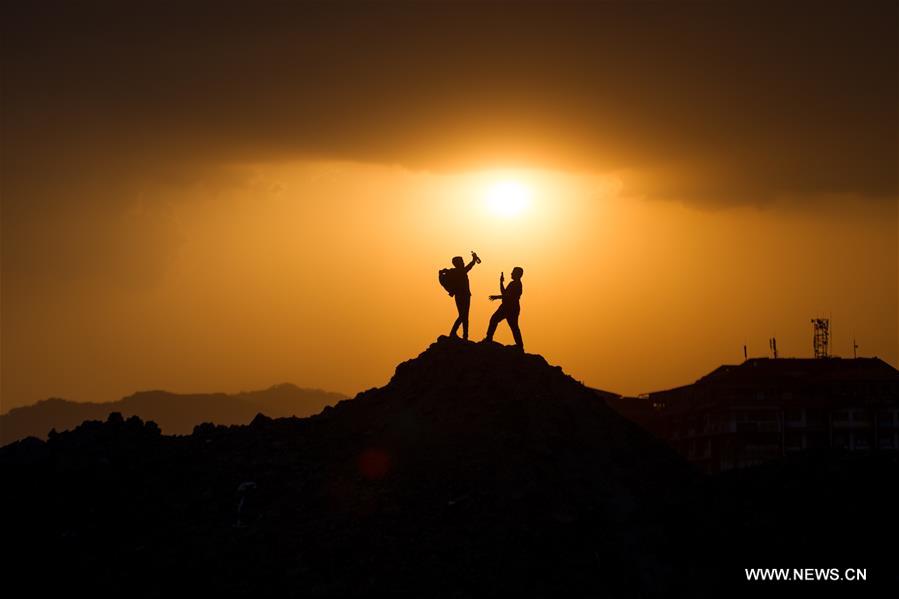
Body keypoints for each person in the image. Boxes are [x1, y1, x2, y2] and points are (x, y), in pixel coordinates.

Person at [484, 266, 524, 350]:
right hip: (506, 307)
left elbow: (508, 296)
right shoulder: (512, 283)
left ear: (518, 274)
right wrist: (501, 282)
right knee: (495, 320)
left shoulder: (517, 285)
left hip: (510, 308)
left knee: (512, 326)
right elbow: (504, 293)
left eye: (513, 272)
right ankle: (489, 338)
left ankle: (520, 346)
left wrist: (497, 297)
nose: (511, 273)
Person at [445, 251, 480, 339]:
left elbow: (467, 268)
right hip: (462, 296)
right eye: (461, 261)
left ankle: (464, 335)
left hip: (464, 295)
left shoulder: (455, 271)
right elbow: (468, 267)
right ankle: (455, 333)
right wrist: (473, 260)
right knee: (463, 315)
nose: (463, 263)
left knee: (464, 316)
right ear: (457, 263)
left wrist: (474, 260)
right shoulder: (459, 271)